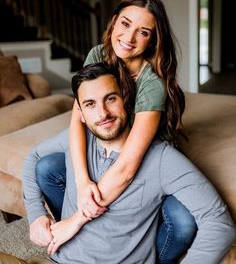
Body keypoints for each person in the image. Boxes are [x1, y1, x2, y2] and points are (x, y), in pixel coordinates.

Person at [1, 63, 235, 264]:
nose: (102, 113)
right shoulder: (79, 141)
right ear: (80, 114)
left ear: (126, 101)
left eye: (110, 99)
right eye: (91, 104)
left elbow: (219, 222)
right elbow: (34, 157)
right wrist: (36, 216)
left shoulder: (162, 158)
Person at [34, 0, 197, 263]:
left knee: (183, 220)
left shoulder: (151, 83)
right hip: (105, 151)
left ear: (153, 40)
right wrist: (83, 181)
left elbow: (128, 165)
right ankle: (87, 239)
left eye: (143, 32)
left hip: (144, 163)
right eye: (125, 24)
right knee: (47, 168)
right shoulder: (97, 55)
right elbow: (78, 119)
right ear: (113, 22)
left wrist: (76, 220)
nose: (129, 38)